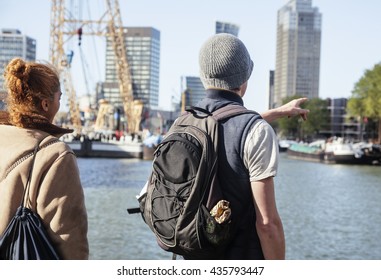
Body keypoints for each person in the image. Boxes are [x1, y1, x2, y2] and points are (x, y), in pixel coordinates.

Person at [196, 33, 309, 259]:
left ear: (202, 76)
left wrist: (276, 112)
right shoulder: (256, 132)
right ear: (245, 77)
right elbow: (267, 224)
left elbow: (228, 124)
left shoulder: (186, 122)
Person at [0, 58, 89, 259]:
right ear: (46, 104)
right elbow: (69, 238)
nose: (60, 103)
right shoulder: (55, 155)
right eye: (60, 97)